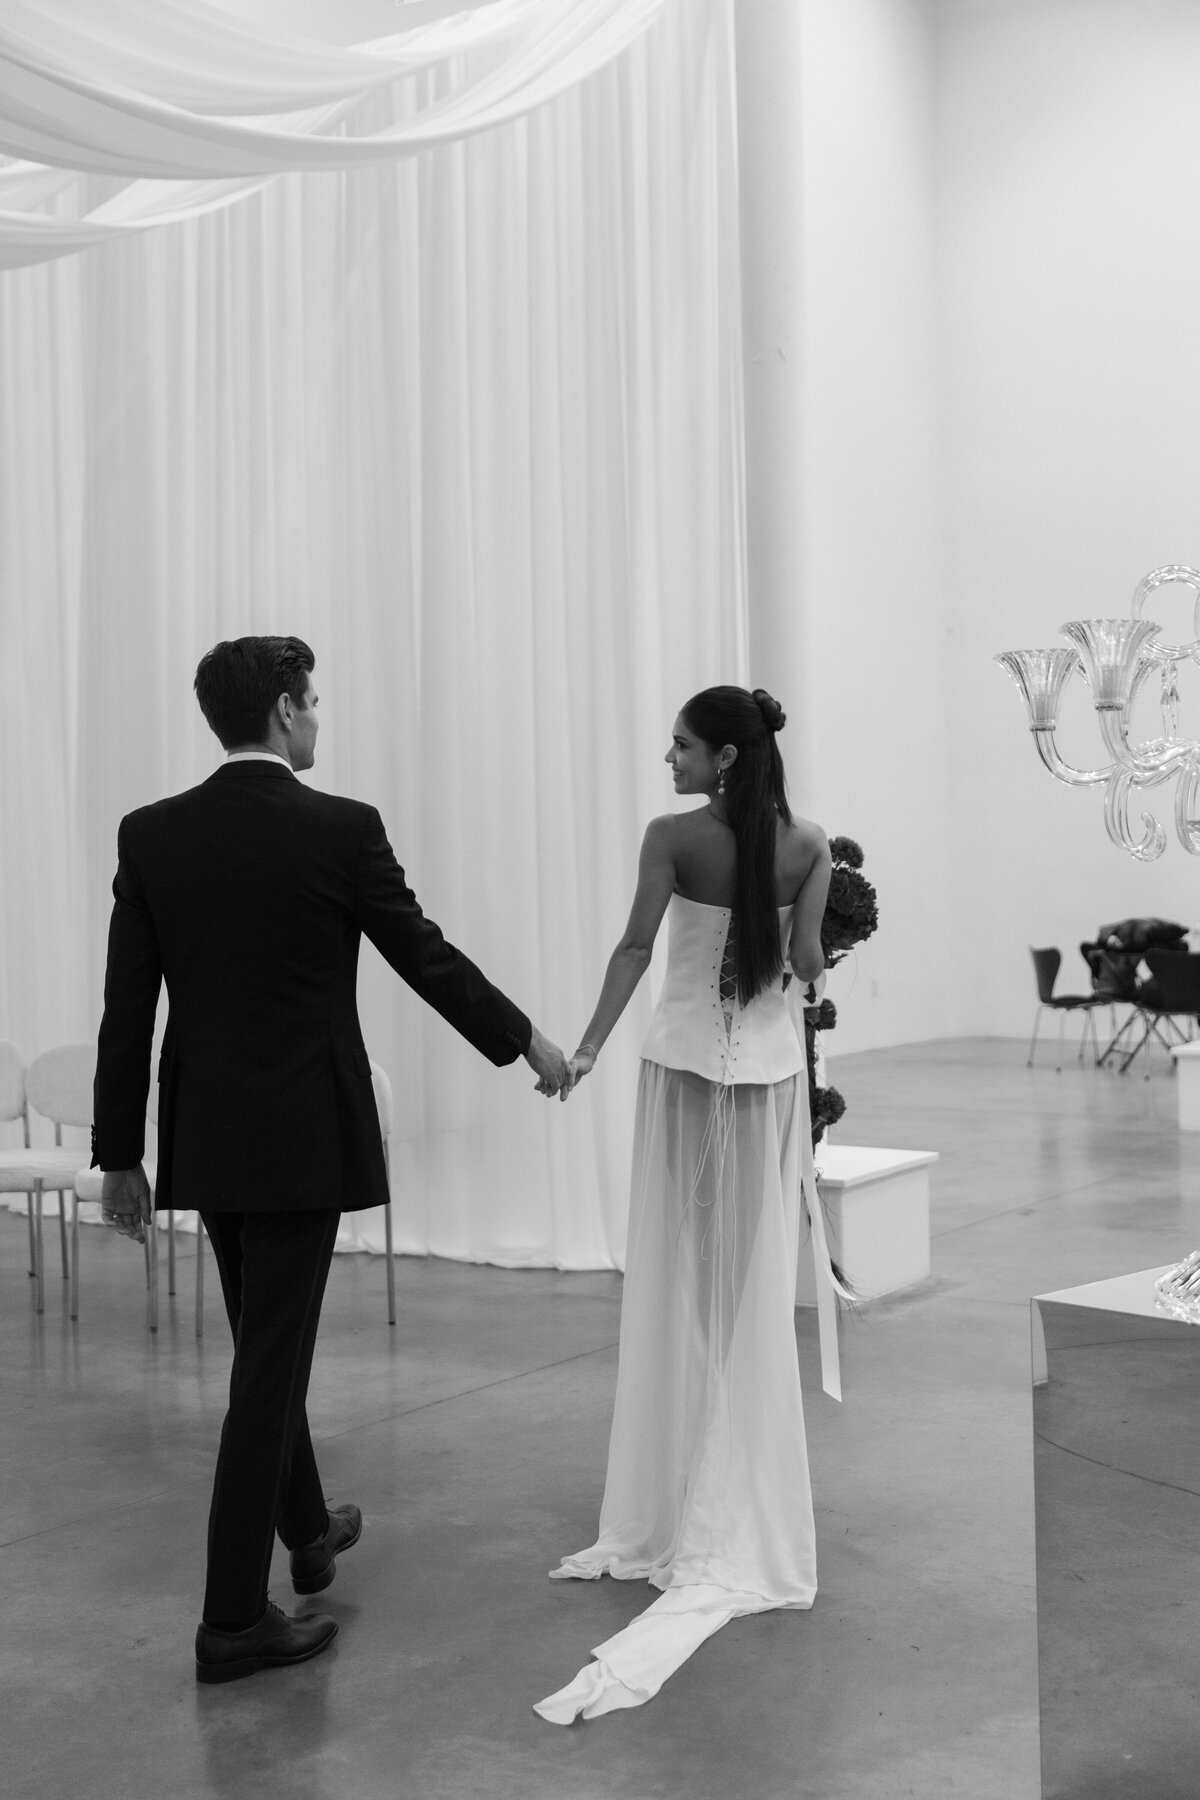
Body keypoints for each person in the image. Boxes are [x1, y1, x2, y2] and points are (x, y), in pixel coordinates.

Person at [92, 635, 568, 1684]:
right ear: (282, 711)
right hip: (305, 1136)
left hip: (208, 1138)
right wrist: (524, 1038)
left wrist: (117, 1151)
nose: (319, 719)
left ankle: (306, 1531)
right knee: (268, 1369)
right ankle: (231, 1619)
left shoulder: (154, 834)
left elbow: (129, 1007)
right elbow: (423, 955)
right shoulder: (341, 829)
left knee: (266, 1342)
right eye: (313, 703)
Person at [534, 684, 832, 1723]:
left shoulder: (671, 837)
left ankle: (680, 1484)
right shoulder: (811, 845)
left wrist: (582, 1050)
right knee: (747, 1285)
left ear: (725, 759)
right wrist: (826, 936)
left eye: (682, 745)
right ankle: (734, 1476)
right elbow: (802, 974)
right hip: (763, 1079)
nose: (668, 758)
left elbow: (633, 951)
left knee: (679, 1276)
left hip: (676, 1076)